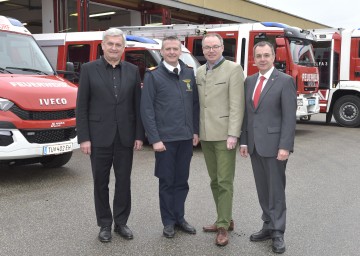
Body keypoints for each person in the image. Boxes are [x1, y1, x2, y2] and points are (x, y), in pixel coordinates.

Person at [76, 28, 145, 243]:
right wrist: (84, 137)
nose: (114, 48)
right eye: (111, 44)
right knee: (101, 182)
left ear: (123, 48)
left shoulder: (133, 71)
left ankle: (121, 223)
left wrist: (138, 135)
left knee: (123, 181)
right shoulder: (88, 69)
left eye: (118, 45)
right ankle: (104, 224)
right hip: (98, 137)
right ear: (103, 46)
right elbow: (82, 107)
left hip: (125, 136)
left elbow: (137, 105)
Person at [239, 41, 297, 254]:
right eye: (259, 56)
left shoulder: (285, 81)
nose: (262, 59)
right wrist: (244, 141)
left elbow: (289, 118)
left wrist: (285, 146)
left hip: (275, 147)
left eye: (266, 55)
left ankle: (278, 231)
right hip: (254, 146)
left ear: (274, 57)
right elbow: (247, 114)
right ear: (254, 59)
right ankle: (267, 225)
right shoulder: (250, 81)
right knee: (263, 189)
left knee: (276, 191)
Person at [140, 35, 200, 239]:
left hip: (185, 138)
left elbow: (194, 105)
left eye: (176, 49)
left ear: (180, 51)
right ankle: (168, 222)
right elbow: (147, 109)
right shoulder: (153, 76)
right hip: (164, 141)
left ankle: (179, 218)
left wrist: (195, 131)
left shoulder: (189, 73)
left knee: (182, 181)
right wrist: (154, 139)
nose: (172, 52)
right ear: (162, 52)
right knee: (167, 182)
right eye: (168, 49)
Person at [196, 33, 245, 246]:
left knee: (225, 181)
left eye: (215, 46)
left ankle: (223, 226)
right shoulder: (199, 71)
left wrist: (233, 134)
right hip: (206, 135)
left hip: (225, 135)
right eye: (207, 47)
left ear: (222, 47)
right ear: (203, 49)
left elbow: (237, 104)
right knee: (214, 180)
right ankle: (224, 218)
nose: (211, 50)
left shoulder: (233, 69)